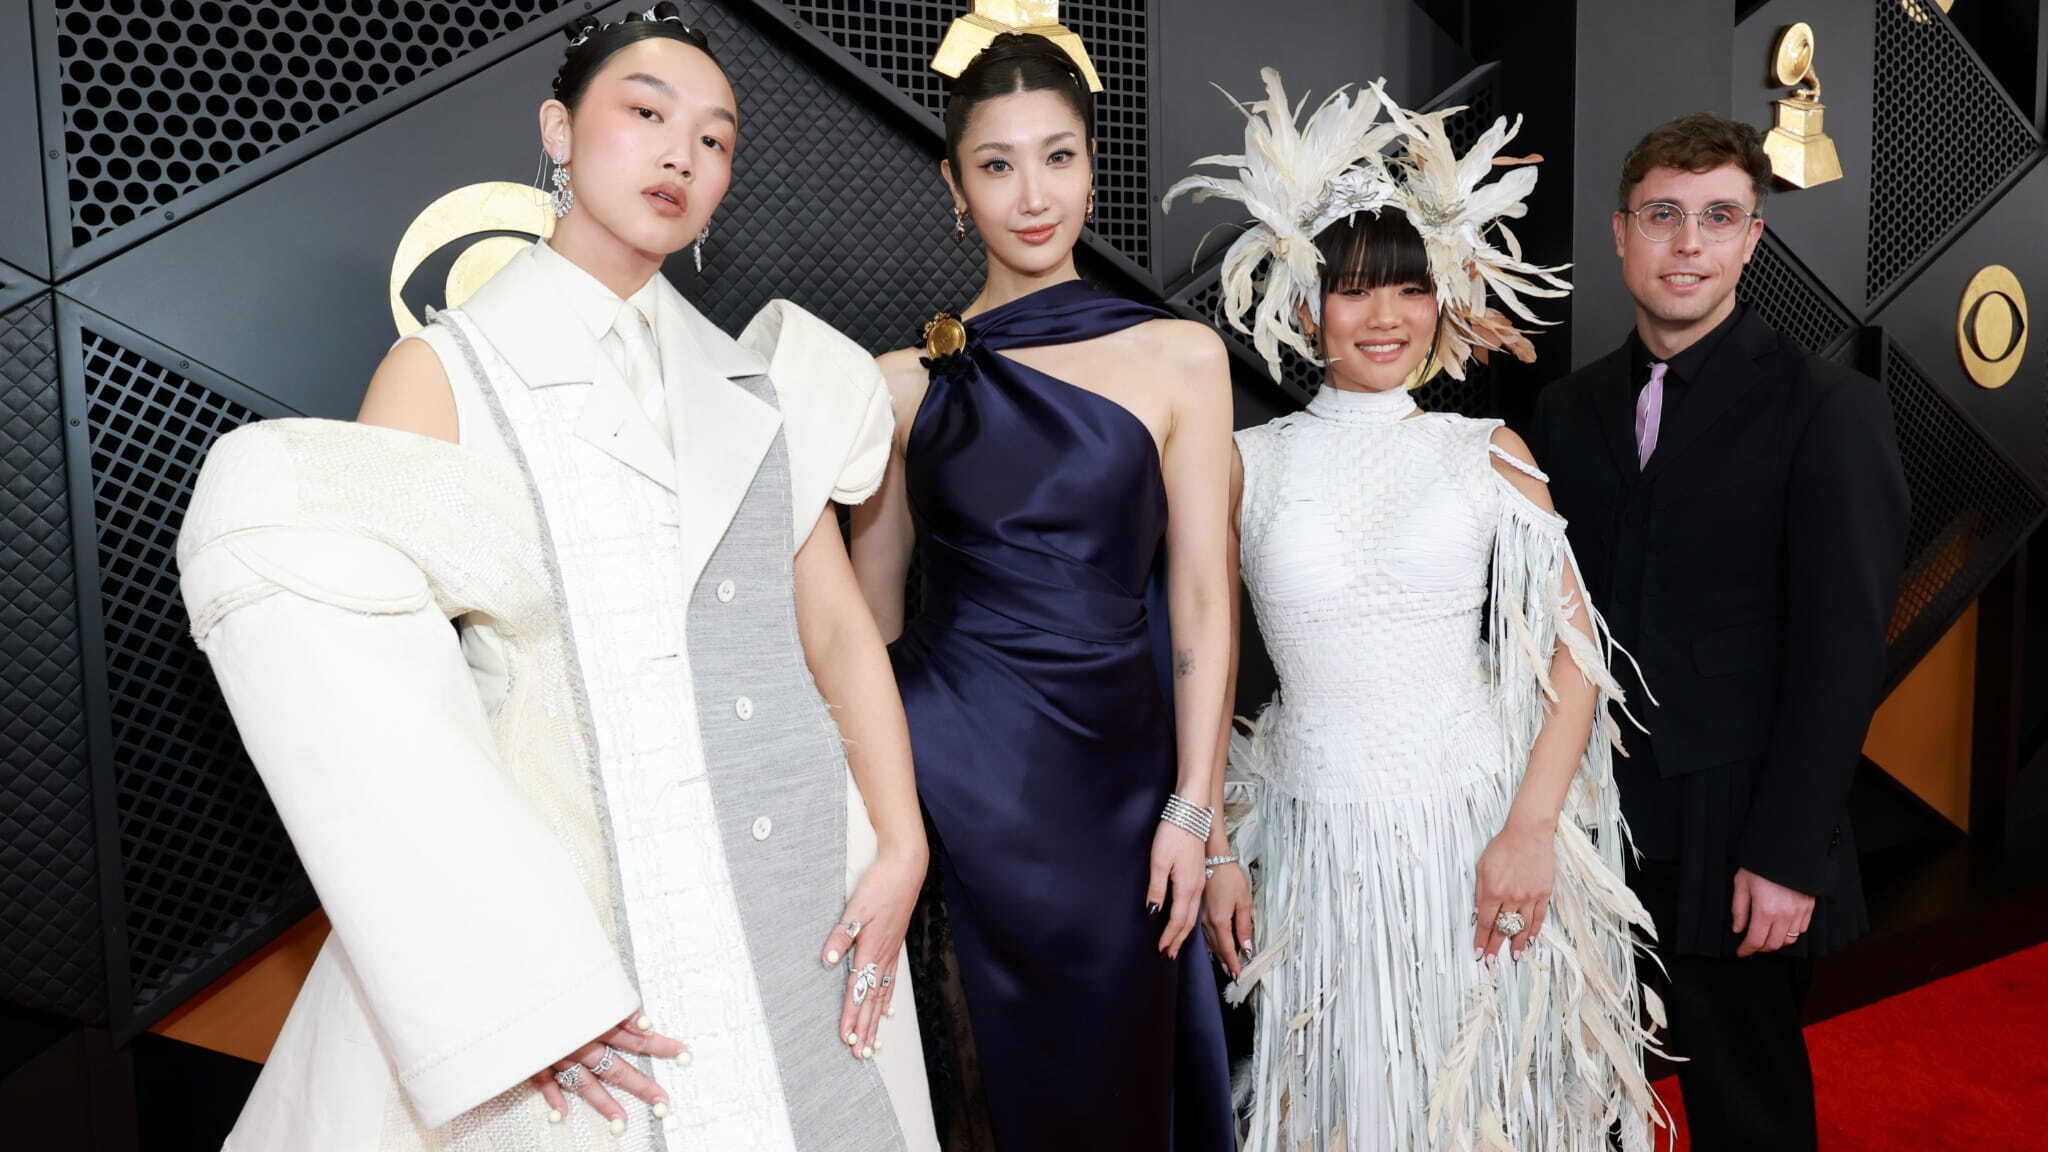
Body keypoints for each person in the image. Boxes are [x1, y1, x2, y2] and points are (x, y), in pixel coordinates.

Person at [176, 8, 938, 1148]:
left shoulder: (755, 385)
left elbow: (830, 632)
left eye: (715, 138)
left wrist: (901, 837)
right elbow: (390, 719)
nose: (682, 154)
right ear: (558, 130)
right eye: (644, 113)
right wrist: (514, 979)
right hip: (573, 928)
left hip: (796, 893)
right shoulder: (444, 373)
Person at [1169, 72, 1663, 1150]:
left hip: (1479, 831)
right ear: (1304, 305)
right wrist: (1208, 849)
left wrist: (1530, 830)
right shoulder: (1241, 465)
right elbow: (1191, 652)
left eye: (1405, 289)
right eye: (1351, 290)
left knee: (1486, 1107)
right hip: (1314, 848)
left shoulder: (1485, 450)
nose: (1381, 316)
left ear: (1440, 299)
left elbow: (1574, 654)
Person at [845, 21, 1237, 1152]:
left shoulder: (1179, 357)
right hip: (950, 781)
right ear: (953, 186)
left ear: (1090, 164)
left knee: (1113, 1083)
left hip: (1122, 794)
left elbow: (1203, 604)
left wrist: (1192, 809)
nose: (1032, 194)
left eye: (1057, 156)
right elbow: (867, 626)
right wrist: (880, 825)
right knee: (975, 1090)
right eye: (997, 163)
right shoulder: (897, 386)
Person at [1529, 112, 1908, 1150]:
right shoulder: (1563, 411)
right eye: (1662, 215)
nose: (1685, 243)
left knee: (1746, 1108)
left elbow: (1842, 650)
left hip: (1740, 829)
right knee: (1585, 1094)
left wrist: (1787, 852)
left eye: (1716, 218)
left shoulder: (1828, 407)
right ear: (1620, 232)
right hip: (1590, 823)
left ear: (1749, 238)